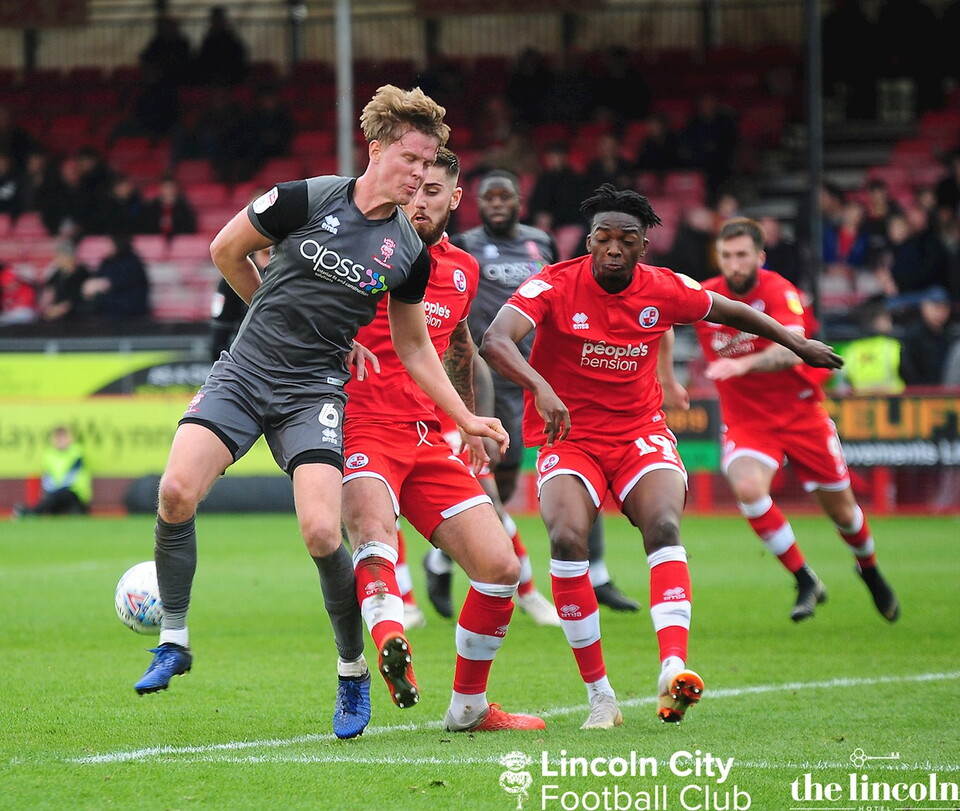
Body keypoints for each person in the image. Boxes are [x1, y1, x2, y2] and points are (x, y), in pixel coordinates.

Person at [131, 86, 507, 745]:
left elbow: (417, 347)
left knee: (320, 532)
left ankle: (352, 670)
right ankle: (174, 640)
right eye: (412, 158)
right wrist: (271, 310)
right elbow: (226, 250)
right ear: (378, 149)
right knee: (175, 491)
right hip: (245, 372)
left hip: (313, 391)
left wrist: (465, 417)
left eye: (429, 164)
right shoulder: (305, 198)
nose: (420, 173)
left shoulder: (408, 252)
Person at [480, 186, 843, 728]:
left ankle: (672, 667)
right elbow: (495, 339)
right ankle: (601, 697)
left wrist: (799, 345)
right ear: (589, 241)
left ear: (643, 246)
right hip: (570, 436)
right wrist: (541, 387)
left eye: (626, 240)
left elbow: (734, 311)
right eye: (603, 238)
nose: (613, 248)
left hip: (639, 433)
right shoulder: (552, 284)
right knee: (566, 538)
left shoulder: (665, 287)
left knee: (665, 526)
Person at [340, 147, 546, 732]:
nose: (419, 201)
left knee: (499, 566)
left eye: (433, 192)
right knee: (373, 535)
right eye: (413, 189)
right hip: (358, 425)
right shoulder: (361, 250)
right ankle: (392, 639)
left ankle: (469, 708)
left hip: (428, 438)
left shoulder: (462, 270)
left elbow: (457, 348)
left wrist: (471, 423)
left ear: (455, 198)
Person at [446, 169, 640, 614]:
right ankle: (443, 561)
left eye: (505, 196)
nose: (497, 204)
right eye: (489, 197)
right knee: (496, 473)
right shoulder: (465, 246)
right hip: (493, 374)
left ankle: (597, 574)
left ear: (520, 201)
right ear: (478, 203)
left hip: (548, 375)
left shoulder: (541, 242)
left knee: (582, 461)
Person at [692, 217, 900, 623]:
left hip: (801, 413)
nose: (733, 264)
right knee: (747, 488)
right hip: (747, 421)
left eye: (742, 255)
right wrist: (667, 378)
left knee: (843, 513)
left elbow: (793, 348)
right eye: (726, 255)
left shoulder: (778, 290)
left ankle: (870, 569)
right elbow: (661, 317)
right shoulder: (705, 296)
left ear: (760, 257)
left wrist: (743, 364)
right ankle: (805, 579)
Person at [13, 425, 92, 517]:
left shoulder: (77, 453)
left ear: (70, 439)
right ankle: (33, 511)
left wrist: (54, 493)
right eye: (58, 438)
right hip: (56, 495)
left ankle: (31, 512)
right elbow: (47, 477)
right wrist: (48, 493)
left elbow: (70, 478)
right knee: (52, 499)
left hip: (76, 494)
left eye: (63, 438)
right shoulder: (49, 455)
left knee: (64, 495)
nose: (61, 441)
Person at [81, 232, 150, 319]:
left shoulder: (132, 262)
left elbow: (121, 282)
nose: (106, 247)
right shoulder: (108, 261)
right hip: (110, 307)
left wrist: (102, 284)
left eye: (109, 244)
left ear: (118, 244)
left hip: (130, 309)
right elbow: (98, 277)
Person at [899, 285, 956, 385]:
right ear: (924, 307)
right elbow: (907, 368)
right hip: (920, 390)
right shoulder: (912, 335)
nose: (941, 312)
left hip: (947, 389)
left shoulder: (951, 334)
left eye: (945, 308)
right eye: (936, 307)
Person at [38, 240, 90, 322]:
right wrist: (48, 308)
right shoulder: (57, 273)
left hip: (76, 314)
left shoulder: (82, 273)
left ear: (68, 257)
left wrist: (61, 309)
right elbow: (48, 289)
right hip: (56, 311)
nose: (56, 259)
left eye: (59, 256)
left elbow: (80, 297)